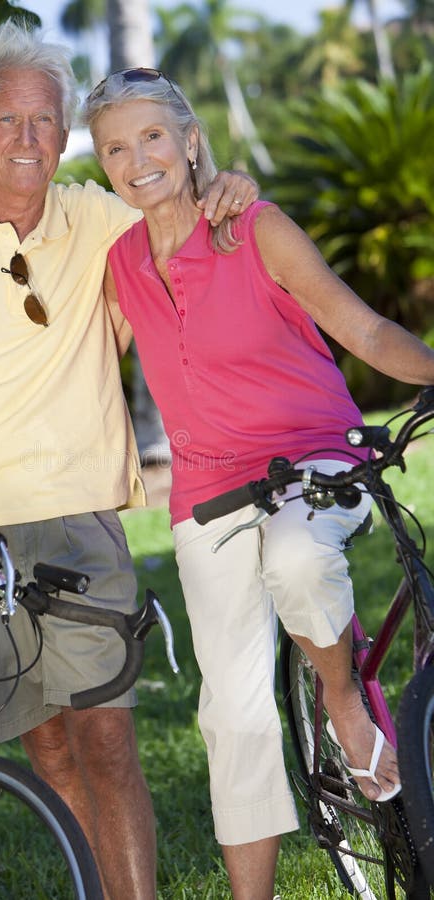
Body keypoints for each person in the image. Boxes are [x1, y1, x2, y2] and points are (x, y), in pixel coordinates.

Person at [0, 19, 258, 900]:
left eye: (45, 122)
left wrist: (227, 182)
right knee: (47, 745)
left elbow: (181, 208)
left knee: (108, 738)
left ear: (63, 132)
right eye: (8, 121)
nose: (28, 140)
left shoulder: (100, 220)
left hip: (77, 515)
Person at [82, 70, 434, 899]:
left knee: (300, 559)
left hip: (316, 453)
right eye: (115, 148)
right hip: (206, 491)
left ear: (192, 140)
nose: (138, 160)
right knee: (230, 717)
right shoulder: (119, 265)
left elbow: (362, 326)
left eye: (154, 137)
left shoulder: (255, 228)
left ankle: (341, 693)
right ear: (102, 166)